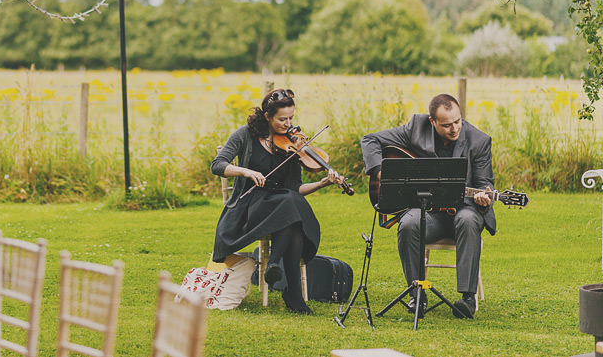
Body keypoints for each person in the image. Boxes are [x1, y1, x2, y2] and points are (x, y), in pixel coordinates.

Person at [360, 93, 495, 319]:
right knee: (410, 221)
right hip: (428, 213)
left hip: (464, 211)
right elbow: (370, 140)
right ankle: (417, 295)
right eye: (446, 125)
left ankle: (467, 299)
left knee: (468, 219)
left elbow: (484, 184)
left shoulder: (479, 141)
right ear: (432, 122)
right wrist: (380, 171)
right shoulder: (416, 128)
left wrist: (485, 196)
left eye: (457, 121)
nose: (454, 129)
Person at [210, 88, 344, 314]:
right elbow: (218, 164)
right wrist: (245, 172)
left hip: (281, 205)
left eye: (291, 118)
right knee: (291, 209)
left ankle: (275, 265)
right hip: (250, 207)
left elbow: (295, 188)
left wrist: (323, 183)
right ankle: (291, 290)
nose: (288, 124)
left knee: (290, 207)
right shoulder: (246, 135)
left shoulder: (293, 144)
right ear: (267, 116)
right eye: (282, 119)